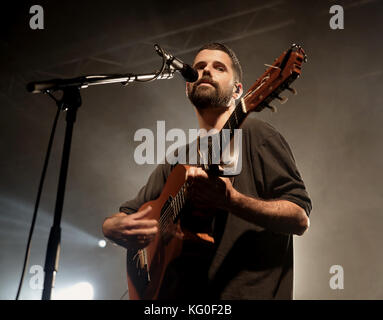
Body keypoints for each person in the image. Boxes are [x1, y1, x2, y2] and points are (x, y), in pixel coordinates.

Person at [102, 43, 312, 299]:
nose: (206, 71)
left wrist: (232, 201)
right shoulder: (177, 159)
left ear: (238, 91)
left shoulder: (257, 135)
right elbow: (125, 215)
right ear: (187, 86)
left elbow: (300, 218)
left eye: (219, 67)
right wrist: (112, 227)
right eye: (199, 67)